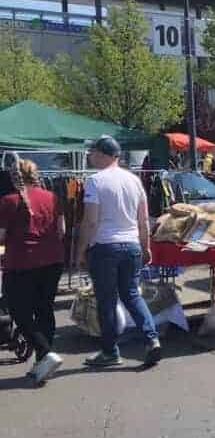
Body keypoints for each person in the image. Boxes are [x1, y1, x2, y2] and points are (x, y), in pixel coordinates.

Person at [74, 135, 161, 368]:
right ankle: (152, 339)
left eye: (92, 152)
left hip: (105, 246)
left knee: (107, 301)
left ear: (103, 154)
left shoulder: (95, 181)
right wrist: (146, 247)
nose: (90, 156)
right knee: (132, 295)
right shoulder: (134, 181)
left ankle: (110, 351)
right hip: (131, 244)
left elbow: (90, 221)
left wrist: (81, 250)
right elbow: (143, 220)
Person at [0, 157, 66, 383]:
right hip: (52, 261)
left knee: (18, 311)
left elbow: (0, 236)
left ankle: (46, 354)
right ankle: (42, 362)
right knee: (45, 310)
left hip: (21, 263)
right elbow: (62, 230)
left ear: (13, 176)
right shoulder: (52, 197)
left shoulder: (8, 201)